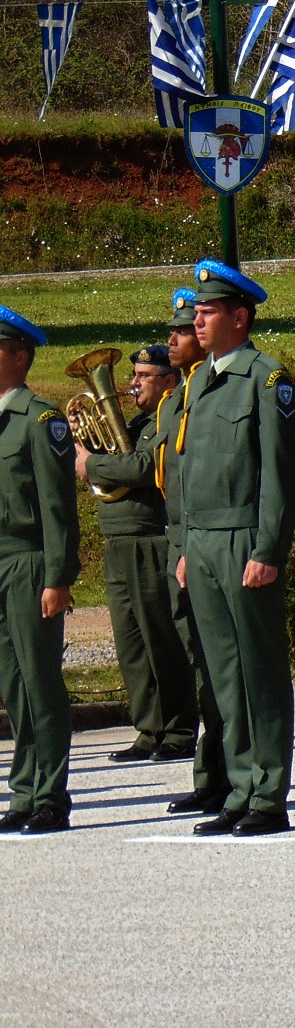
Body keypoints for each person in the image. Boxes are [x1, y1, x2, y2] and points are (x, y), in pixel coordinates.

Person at [175, 262, 295, 837]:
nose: (196, 320)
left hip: (243, 541)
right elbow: (188, 472)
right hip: (201, 541)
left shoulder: (266, 380)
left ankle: (269, 793)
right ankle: (240, 784)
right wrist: (184, 544)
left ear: (239, 317)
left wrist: (268, 547)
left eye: (207, 312)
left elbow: (278, 474)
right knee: (224, 673)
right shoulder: (199, 380)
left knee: (259, 671)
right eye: (196, 313)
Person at [73, 344, 198, 765]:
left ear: (167, 380)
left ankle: (179, 730)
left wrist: (91, 465)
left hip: (149, 539)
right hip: (118, 543)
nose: (132, 383)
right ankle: (149, 729)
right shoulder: (136, 423)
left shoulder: (167, 420)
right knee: (132, 646)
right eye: (134, 375)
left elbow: (144, 467)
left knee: (161, 640)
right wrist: (82, 440)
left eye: (144, 376)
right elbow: (119, 465)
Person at [0, 305, 78, 834]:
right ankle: (23, 790)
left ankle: (50, 793)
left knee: (40, 681)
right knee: (11, 684)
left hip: (29, 563)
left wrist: (57, 576)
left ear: (19, 356)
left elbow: (57, 506)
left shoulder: (39, 419)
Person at [154, 287, 229, 816]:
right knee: (201, 663)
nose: (177, 339)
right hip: (184, 541)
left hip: (210, 541)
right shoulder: (176, 398)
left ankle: (226, 775)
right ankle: (211, 775)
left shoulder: (211, 391)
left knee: (220, 666)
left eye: (184, 329)